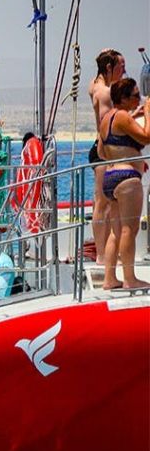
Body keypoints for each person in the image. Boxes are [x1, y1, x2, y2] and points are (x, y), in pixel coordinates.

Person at [97, 77, 149, 290]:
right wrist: (148, 111)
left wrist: (133, 116)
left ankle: (110, 278)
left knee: (115, 231)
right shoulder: (121, 116)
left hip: (110, 177)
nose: (139, 99)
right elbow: (147, 137)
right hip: (127, 178)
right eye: (136, 96)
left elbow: (101, 151)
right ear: (124, 98)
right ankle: (130, 279)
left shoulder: (107, 118)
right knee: (130, 229)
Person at [88, 50, 126, 263]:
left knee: (112, 203)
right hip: (104, 153)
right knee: (102, 203)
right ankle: (102, 255)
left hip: (108, 153)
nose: (124, 71)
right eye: (120, 67)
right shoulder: (104, 93)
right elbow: (106, 127)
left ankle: (111, 252)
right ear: (109, 68)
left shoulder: (94, 85)